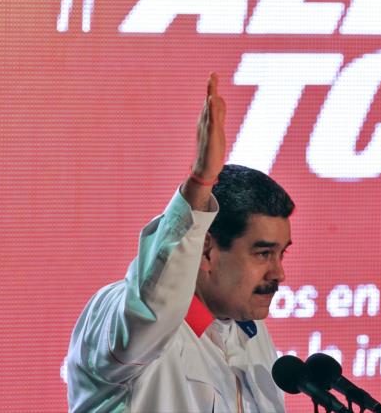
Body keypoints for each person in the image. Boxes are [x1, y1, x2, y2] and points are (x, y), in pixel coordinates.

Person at [64, 74, 294, 412]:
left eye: (281, 254)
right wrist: (200, 183)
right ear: (206, 251)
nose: (278, 274)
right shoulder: (121, 318)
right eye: (263, 253)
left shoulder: (251, 336)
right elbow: (154, 309)